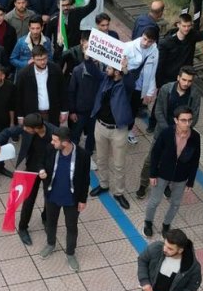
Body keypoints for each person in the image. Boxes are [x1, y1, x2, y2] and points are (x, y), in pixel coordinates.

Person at [0, 113, 57, 239]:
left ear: (36, 128)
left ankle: (46, 219)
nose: (23, 129)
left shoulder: (54, 133)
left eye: (26, 128)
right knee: (29, 199)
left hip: (50, 169)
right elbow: (7, 132)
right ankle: (23, 227)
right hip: (31, 168)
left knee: (50, 197)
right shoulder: (29, 127)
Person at [134, 66, 200, 199]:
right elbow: (158, 111)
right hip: (162, 134)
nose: (186, 83)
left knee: (174, 162)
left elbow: (195, 116)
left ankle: (167, 186)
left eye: (189, 81)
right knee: (151, 160)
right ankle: (143, 184)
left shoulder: (194, 94)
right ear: (178, 78)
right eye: (184, 80)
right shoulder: (166, 89)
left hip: (181, 136)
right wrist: (168, 132)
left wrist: (182, 131)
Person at [37, 126, 91, 272]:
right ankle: (50, 243)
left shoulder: (83, 155)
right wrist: (41, 170)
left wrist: (83, 200)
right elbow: (40, 162)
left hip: (72, 199)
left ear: (65, 143)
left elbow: (85, 179)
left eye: (55, 140)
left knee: (71, 227)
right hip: (52, 195)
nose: (52, 142)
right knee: (50, 222)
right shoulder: (50, 149)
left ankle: (70, 253)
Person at [143, 106, 201, 237]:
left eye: (189, 120)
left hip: (181, 176)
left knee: (175, 203)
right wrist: (152, 174)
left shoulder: (195, 137)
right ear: (176, 120)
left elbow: (195, 160)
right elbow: (155, 154)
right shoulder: (167, 133)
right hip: (162, 173)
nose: (187, 123)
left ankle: (166, 224)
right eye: (183, 120)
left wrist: (190, 181)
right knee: (154, 201)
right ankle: (148, 222)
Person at [148, 14, 203, 132]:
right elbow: (160, 65)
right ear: (178, 25)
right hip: (168, 78)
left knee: (183, 101)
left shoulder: (191, 36)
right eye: (184, 26)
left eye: (189, 26)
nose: (187, 29)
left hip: (185, 76)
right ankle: (152, 123)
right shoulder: (166, 43)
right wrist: (158, 83)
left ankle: (178, 121)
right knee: (161, 102)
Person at [86, 57, 133, 209]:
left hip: (118, 130)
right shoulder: (105, 79)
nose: (106, 69)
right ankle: (103, 184)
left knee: (119, 165)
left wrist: (125, 70)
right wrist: (87, 59)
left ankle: (119, 193)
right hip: (100, 126)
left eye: (110, 68)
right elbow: (93, 71)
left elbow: (130, 82)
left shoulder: (124, 85)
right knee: (101, 159)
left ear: (118, 72)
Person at [123, 26, 160, 145]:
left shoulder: (154, 51)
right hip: (125, 85)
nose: (146, 43)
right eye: (144, 39)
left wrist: (149, 92)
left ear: (154, 41)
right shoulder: (128, 46)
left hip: (139, 87)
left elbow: (153, 72)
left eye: (149, 41)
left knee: (133, 110)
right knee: (120, 106)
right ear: (142, 36)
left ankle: (129, 131)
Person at [15, 46, 67, 126]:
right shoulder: (23, 74)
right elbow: (19, 96)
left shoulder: (55, 69)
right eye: (39, 60)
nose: (42, 62)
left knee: (52, 137)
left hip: (52, 114)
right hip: (32, 115)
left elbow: (62, 91)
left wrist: (64, 111)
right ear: (32, 59)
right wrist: (20, 116)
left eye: (44, 58)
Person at [68, 36, 99, 164]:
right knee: (75, 136)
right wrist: (72, 111)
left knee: (91, 136)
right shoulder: (78, 70)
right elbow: (71, 91)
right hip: (80, 111)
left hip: (94, 111)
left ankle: (88, 156)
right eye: (87, 49)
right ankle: (72, 155)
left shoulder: (102, 69)